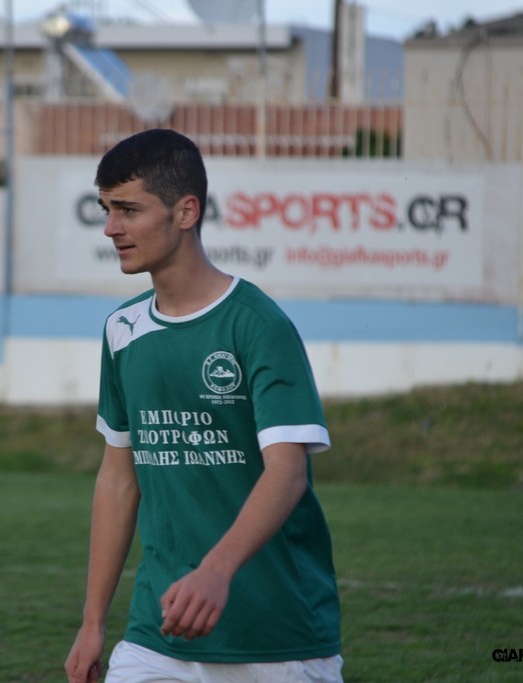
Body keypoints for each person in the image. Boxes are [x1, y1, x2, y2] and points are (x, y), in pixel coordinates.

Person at [64, 129, 343, 683]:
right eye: (106, 210)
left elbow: (287, 472)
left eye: (128, 210)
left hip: (277, 638)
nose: (111, 228)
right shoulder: (122, 330)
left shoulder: (257, 325)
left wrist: (216, 571)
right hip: (157, 634)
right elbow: (119, 479)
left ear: (186, 211)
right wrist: (93, 622)